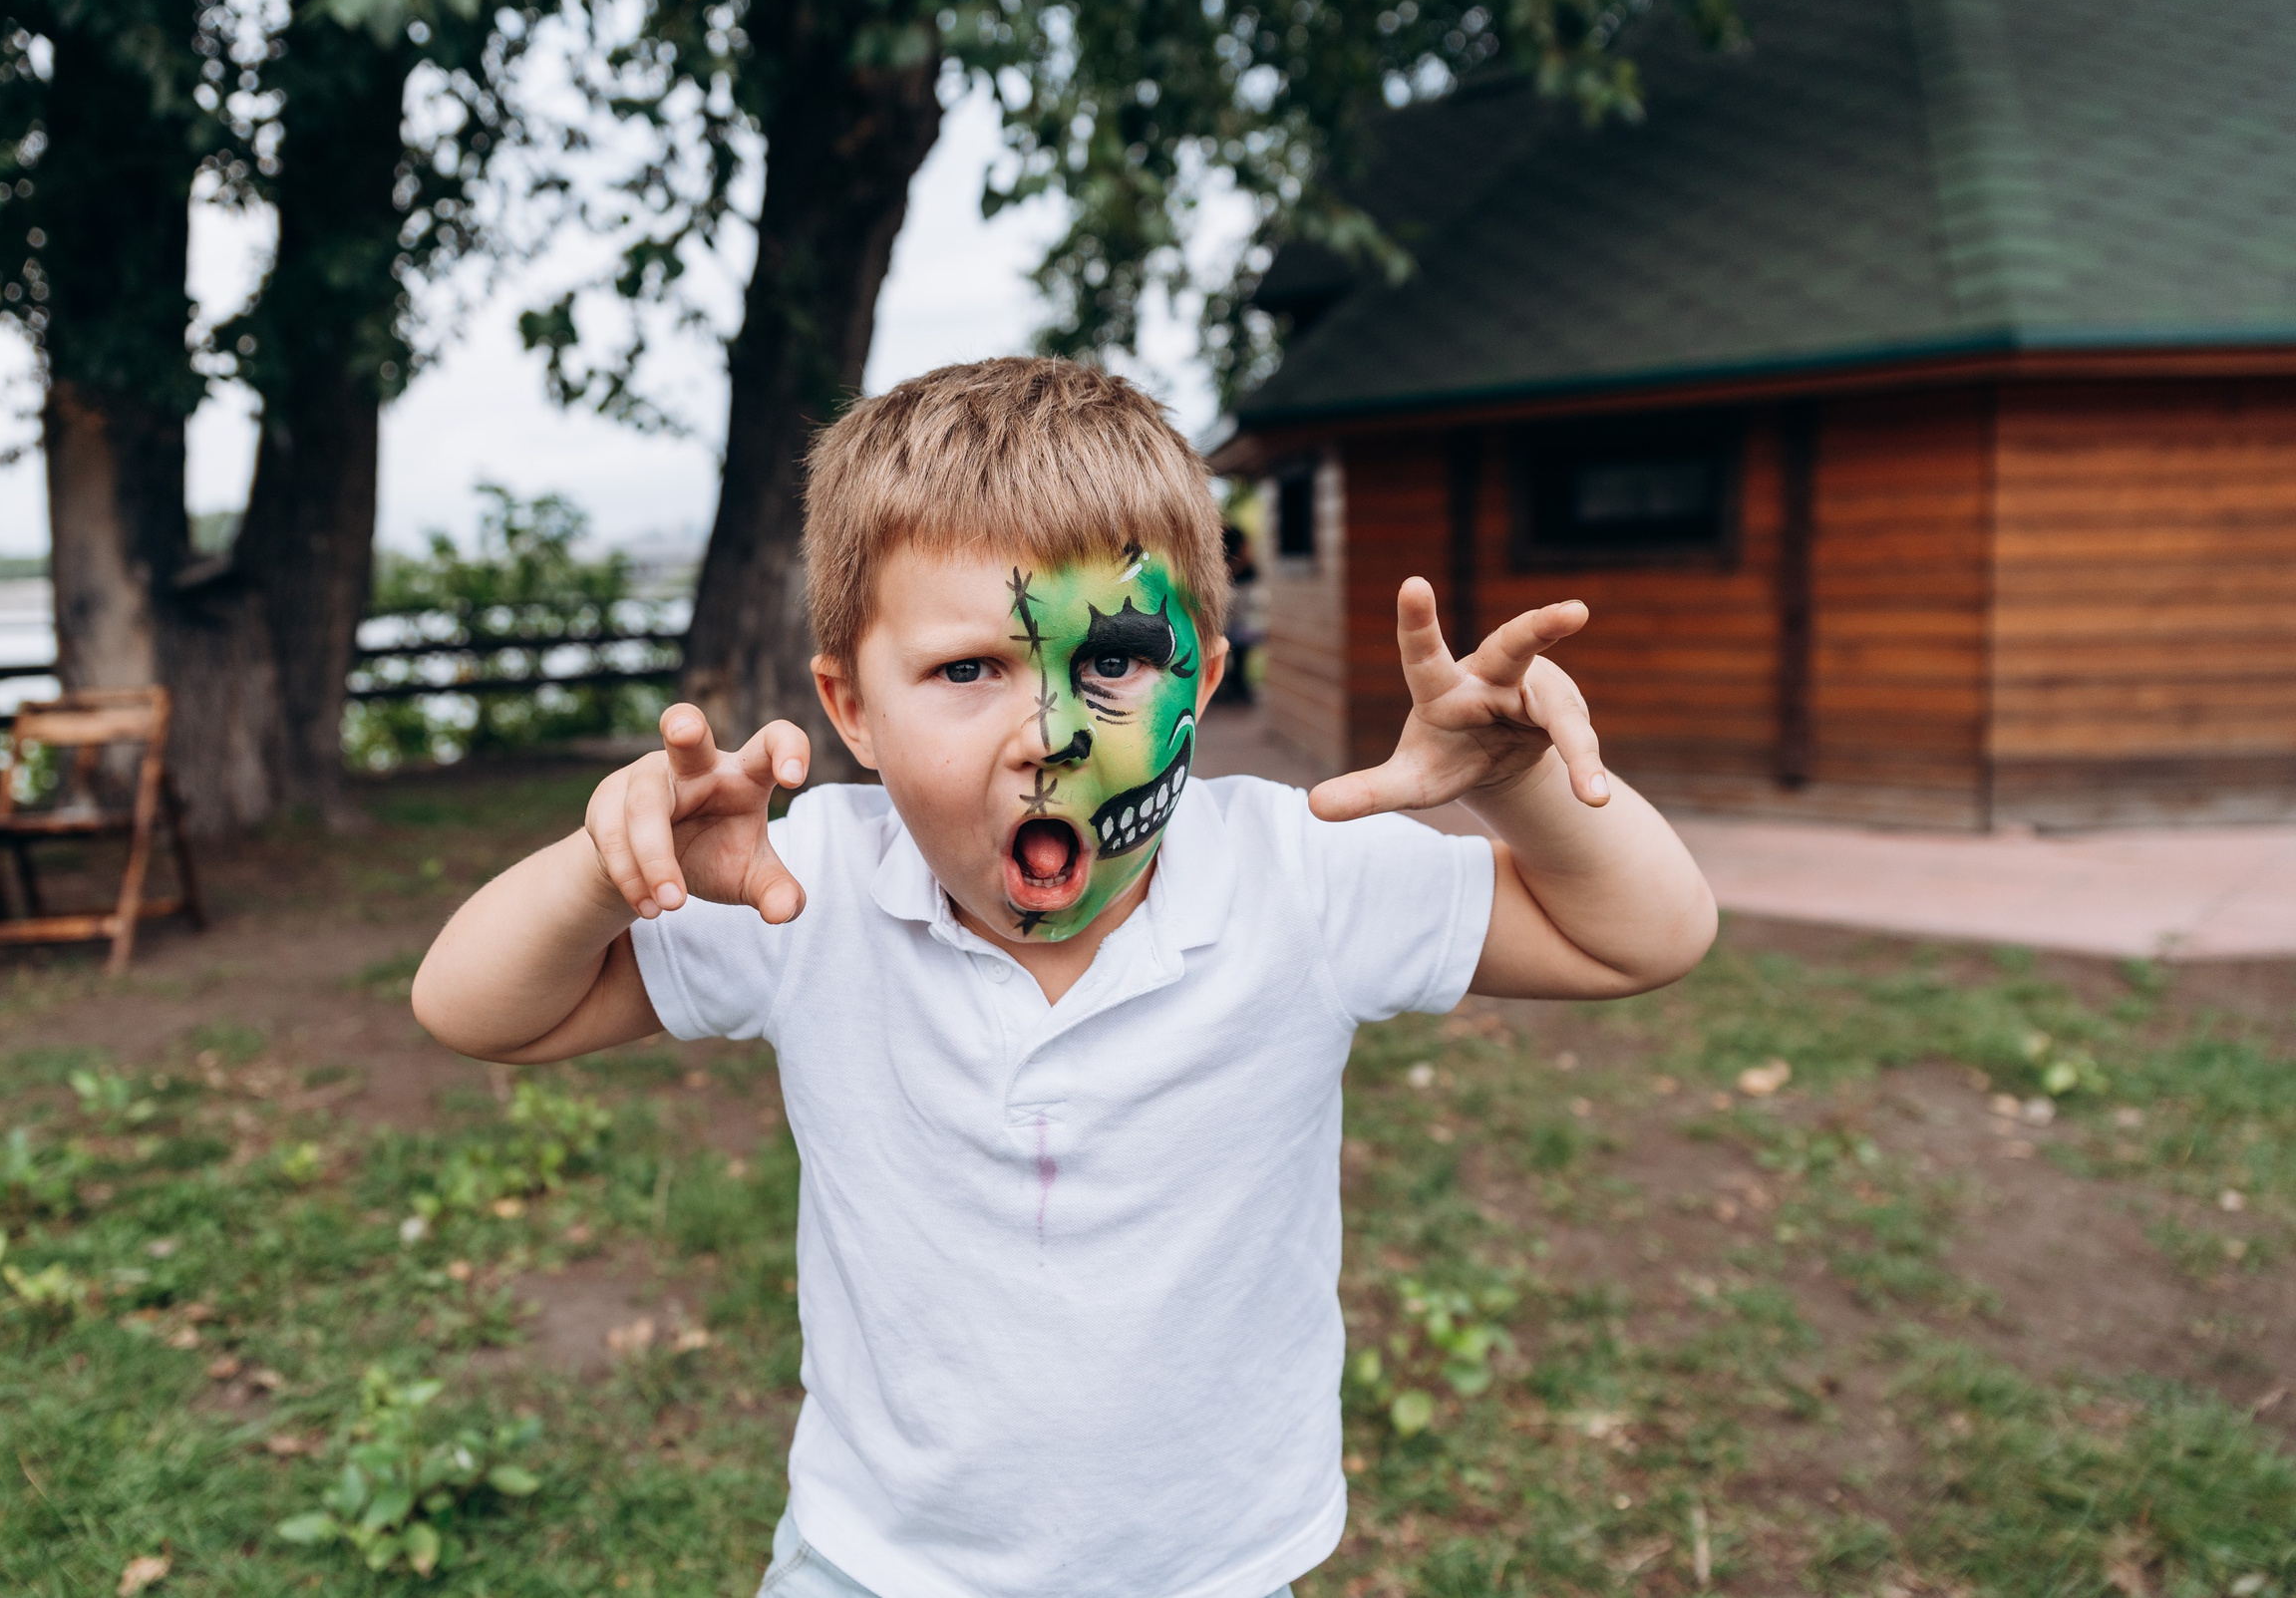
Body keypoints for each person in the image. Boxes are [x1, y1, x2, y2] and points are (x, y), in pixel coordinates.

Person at [413, 358, 1716, 1598]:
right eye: (968, 669)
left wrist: (1525, 783)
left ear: (1201, 679)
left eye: (1113, 660)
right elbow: (474, 1007)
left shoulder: (1298, 873)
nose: (1046, 734)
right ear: (849, 706)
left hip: (1212, 1561)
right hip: (876, 1558)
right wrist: (604, 866)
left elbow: (1643, 935)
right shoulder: (799, 889)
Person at [1220, 520, 1262, 705]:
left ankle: (1239, 688)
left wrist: (1231, 571)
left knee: (1240, 646)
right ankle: (1231, 687)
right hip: (1230, 588)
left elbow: (1246, 556)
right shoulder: (1218, 533)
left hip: (1241, 587)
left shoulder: (1236, 532)